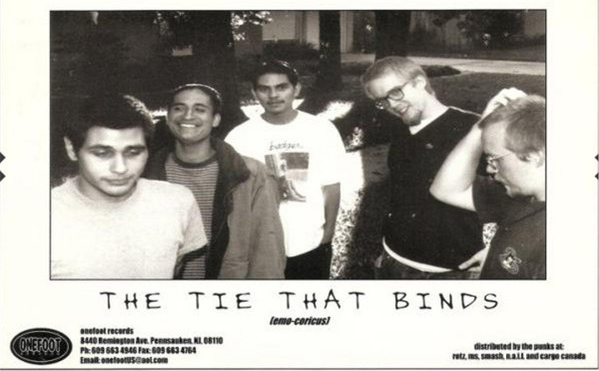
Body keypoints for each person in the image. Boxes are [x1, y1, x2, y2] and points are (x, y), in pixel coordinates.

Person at [51, 95, 207, 279]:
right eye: (102, 153)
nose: (120, 168)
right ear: (71, 149)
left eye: (133, 152)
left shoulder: (178, 202)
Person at [145, 83, 285, 279]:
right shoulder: (147, 172)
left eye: (199, 109)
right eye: (179, 108)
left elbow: (267, 248)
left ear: (215, 119)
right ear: (167, 118)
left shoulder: (249, 173)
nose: (187, 116)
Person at [361, 56, 484, 279]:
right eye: (382, 101)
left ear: (419, 82)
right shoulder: (400, 127)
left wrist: (497, 248)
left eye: (395, 93)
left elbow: (527, 195)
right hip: (392, 260)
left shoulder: (473, 129)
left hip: (448, 272)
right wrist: (386, 253)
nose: (392, 106)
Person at [225, 60, 345, 279]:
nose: (273, 95)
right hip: (260, 244)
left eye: (281, 87)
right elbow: (235, 199)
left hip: (309, 241)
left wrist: (327, 235)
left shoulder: (322, 130)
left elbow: (331, 186)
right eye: (264, 89)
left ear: (296, 89)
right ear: (254, 93)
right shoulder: (239, 136)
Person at [430, 89, 546, 279]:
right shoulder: (517, 195)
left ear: (534, 156)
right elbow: (445, 189)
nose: (490, 169)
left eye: (494, 159)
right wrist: (480, 127)